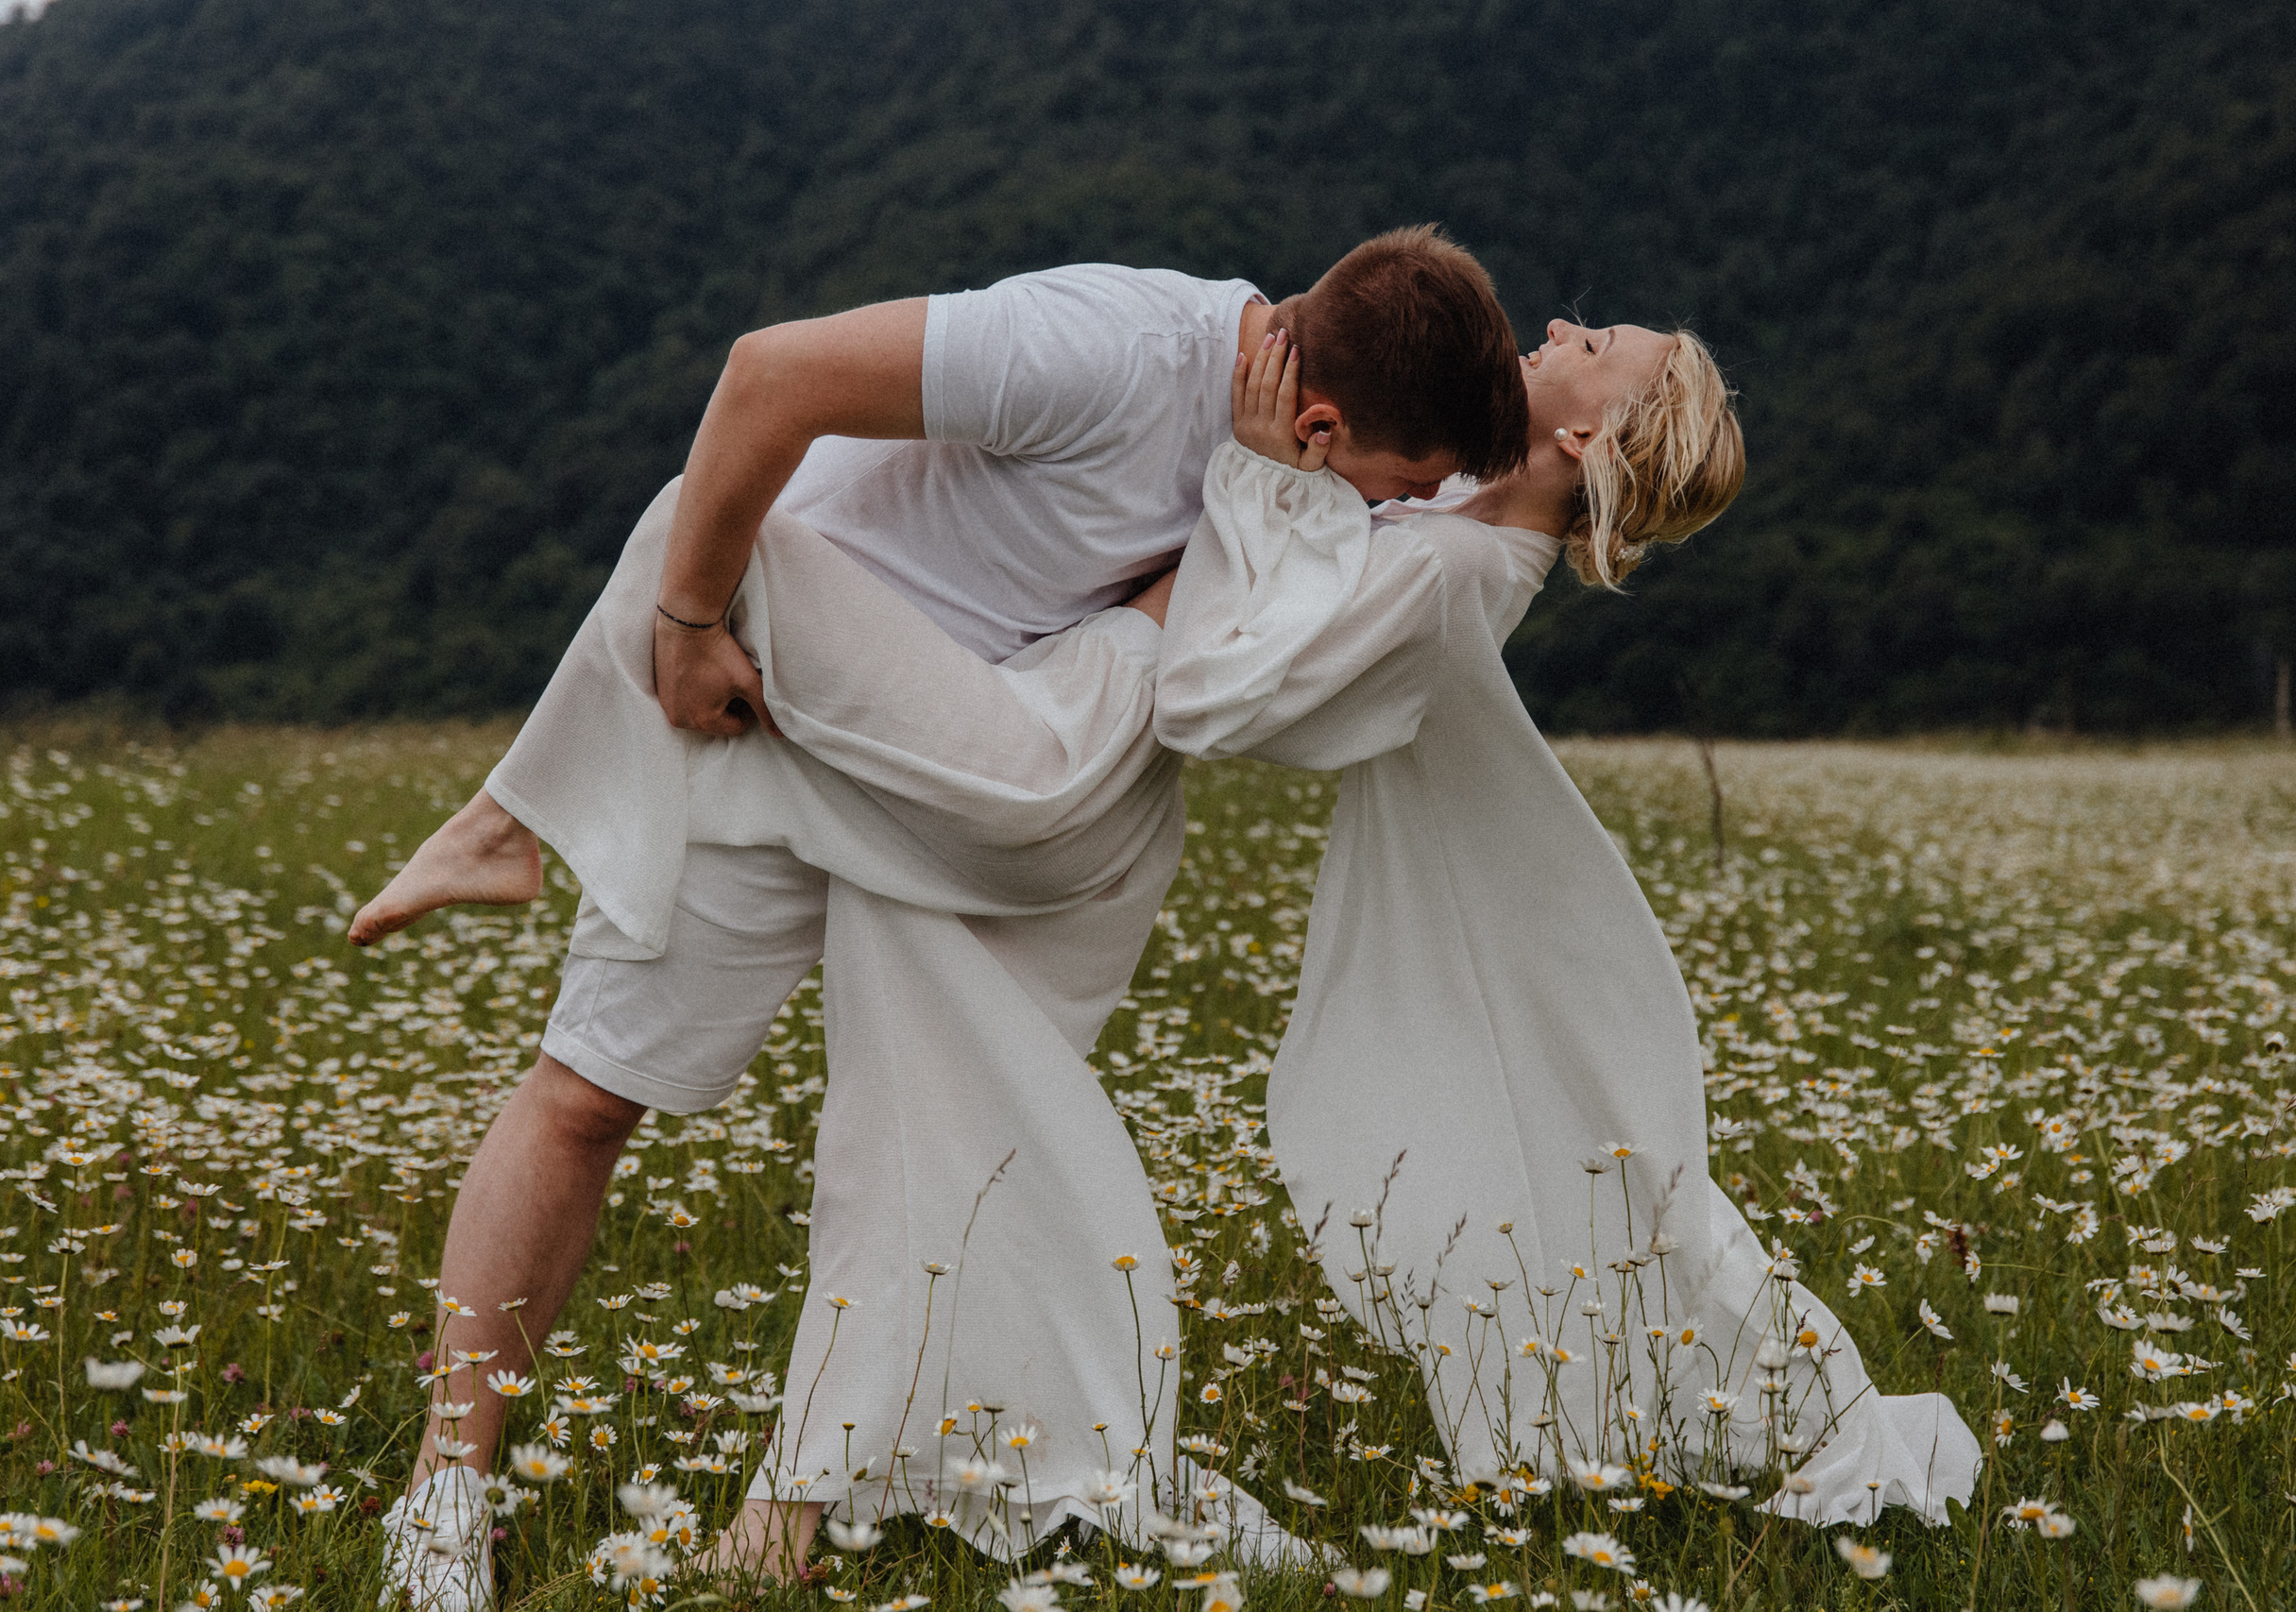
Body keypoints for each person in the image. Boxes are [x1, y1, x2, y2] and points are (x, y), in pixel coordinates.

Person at [359, 229, 1529, 1608]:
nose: (1388, 510)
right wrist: (683, 621)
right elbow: (767, 373)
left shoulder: (1278, 460)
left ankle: (809, 1495)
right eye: (1391, 484)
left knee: (938, 1121)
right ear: (1322, 419)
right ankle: (444, 1492)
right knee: (588, 1096)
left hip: (951, 778)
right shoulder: (1106, 349)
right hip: (760, 717)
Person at [1153, 323, 1984, 1520]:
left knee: (1569, 1177)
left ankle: (1726, 1403)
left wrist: (1257, 469)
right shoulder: (1462, 511)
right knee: (1588, 1175)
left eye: (1590, 340)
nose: (1554, 327)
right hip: (1470, 903)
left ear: (1584, 435)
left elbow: (1214, 703)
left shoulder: (1452, 577)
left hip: (1455, 910)